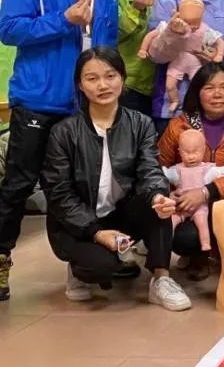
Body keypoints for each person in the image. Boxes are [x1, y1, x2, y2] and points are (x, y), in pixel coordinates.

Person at [0, 0, 119, 301]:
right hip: (39, 100)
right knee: (18, 185)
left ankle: (79, 267)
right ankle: (1, 261)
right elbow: (8, 29)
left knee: (80, 188)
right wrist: (62, 20)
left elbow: (106, 47)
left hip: (85, 105)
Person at [40, 47, 190, 310]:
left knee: (159, 202)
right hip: (78, 223)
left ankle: (161, 279)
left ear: (122, 78)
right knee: (100, 267)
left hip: (121, 213)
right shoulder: (63, 132)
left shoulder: (140, 124)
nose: (103, 85)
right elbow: (59, 194)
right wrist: (96, 233)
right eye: (92, 78)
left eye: (110, 76)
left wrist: (158, 195)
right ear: (80, 84)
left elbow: (150, 170)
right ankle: (79, 269)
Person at [158, 62, 224, 280]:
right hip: (188, 203)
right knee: (183, 238)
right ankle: (197, 255)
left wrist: (207, 191)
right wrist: (171, 194)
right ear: (197, 92)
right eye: (209, 88)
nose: (217, 94)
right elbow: (158, 166)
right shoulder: (179, 124)